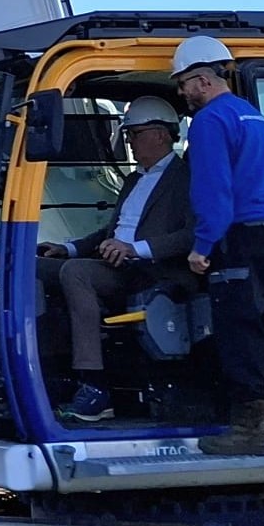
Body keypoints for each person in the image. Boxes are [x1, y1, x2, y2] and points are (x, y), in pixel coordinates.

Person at [174, 35, 264, 455]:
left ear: (203, 80)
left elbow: (214, 190)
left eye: (183, 84)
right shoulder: (258, 120)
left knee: (239, 331)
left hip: (239, 237)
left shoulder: (210, 122)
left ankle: (249, 429)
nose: (182, 93)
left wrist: (202, 245)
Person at [37, 97, 194, 423]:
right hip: (117, 264)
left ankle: (94, 386)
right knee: (32, 267)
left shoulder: (186, 178)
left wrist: (135, 249)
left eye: (134, 134)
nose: (129, 142)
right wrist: (69, 248)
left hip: (150, 270)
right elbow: (111, 230)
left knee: (77, 273)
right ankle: (48, 372)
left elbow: (191, 235)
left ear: (160, 135)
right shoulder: (135, 179)